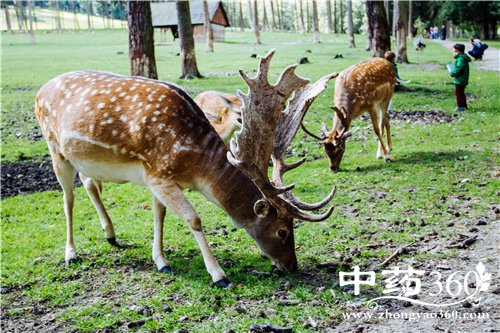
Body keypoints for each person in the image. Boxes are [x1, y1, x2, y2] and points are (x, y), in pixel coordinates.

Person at [447, 44, 472, 111]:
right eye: (453, 51)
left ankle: (460, 106)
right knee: (460, 92)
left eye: (455, 51)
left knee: (458, 93)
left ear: (460, 52)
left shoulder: (460, 59)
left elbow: (459, 68)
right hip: (462, 79)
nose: (454, 53)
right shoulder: (462, 58)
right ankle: (464, 105)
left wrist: (452, 73)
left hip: (460, 79)